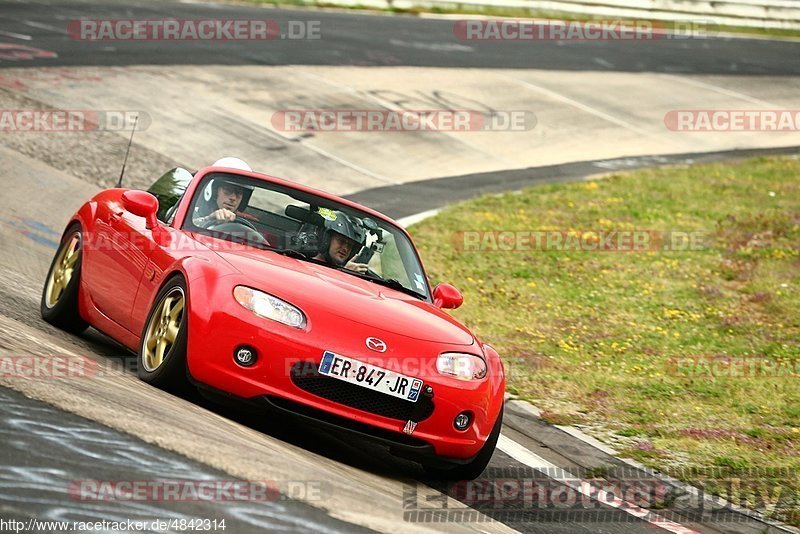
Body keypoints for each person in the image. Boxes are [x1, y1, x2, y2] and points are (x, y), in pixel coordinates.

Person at [192, 157, 253, 226]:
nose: (233, 198)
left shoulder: (246, 226)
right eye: (228, 190)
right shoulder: (190, 213)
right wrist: (208, 219)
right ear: (214, 191)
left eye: (238, 193)